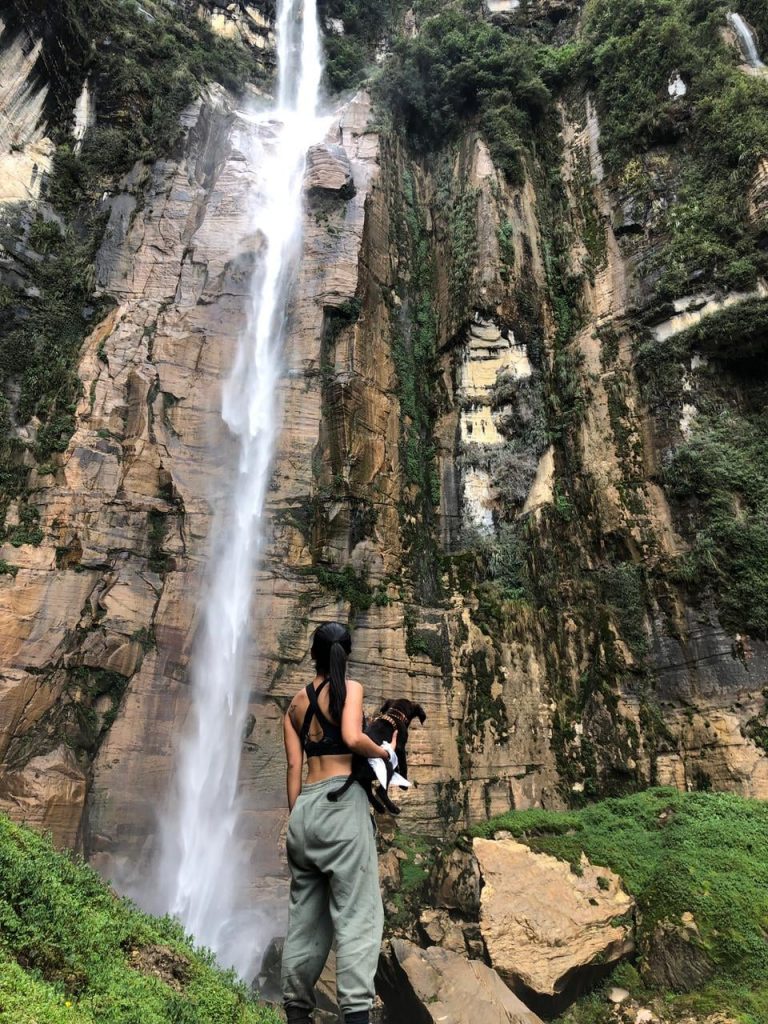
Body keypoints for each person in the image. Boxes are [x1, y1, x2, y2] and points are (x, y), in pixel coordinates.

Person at [280, 621, 396, 1024]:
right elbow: (350, 737)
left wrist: (297, 818)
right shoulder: (351, 690)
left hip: (305, 810)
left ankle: (296, 1011)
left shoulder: (294, 705)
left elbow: (294, 766)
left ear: (313, 653)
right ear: (346, 653)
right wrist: (383, 753)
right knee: (359, 915)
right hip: (341, 807)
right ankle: (357, 1015)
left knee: (305, 918)